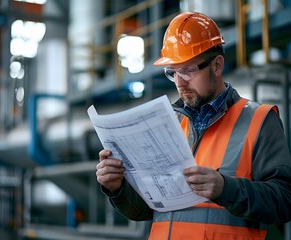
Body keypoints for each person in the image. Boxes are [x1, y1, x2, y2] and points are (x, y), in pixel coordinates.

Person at [96, 12, 291, 239]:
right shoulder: (169, 122)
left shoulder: (259, 120)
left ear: (217, 65)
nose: (180, 82)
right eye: (173, 72)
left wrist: (226, 189)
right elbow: (145, 211)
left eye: (188, 69)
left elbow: (284, 201)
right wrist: (117, 188)